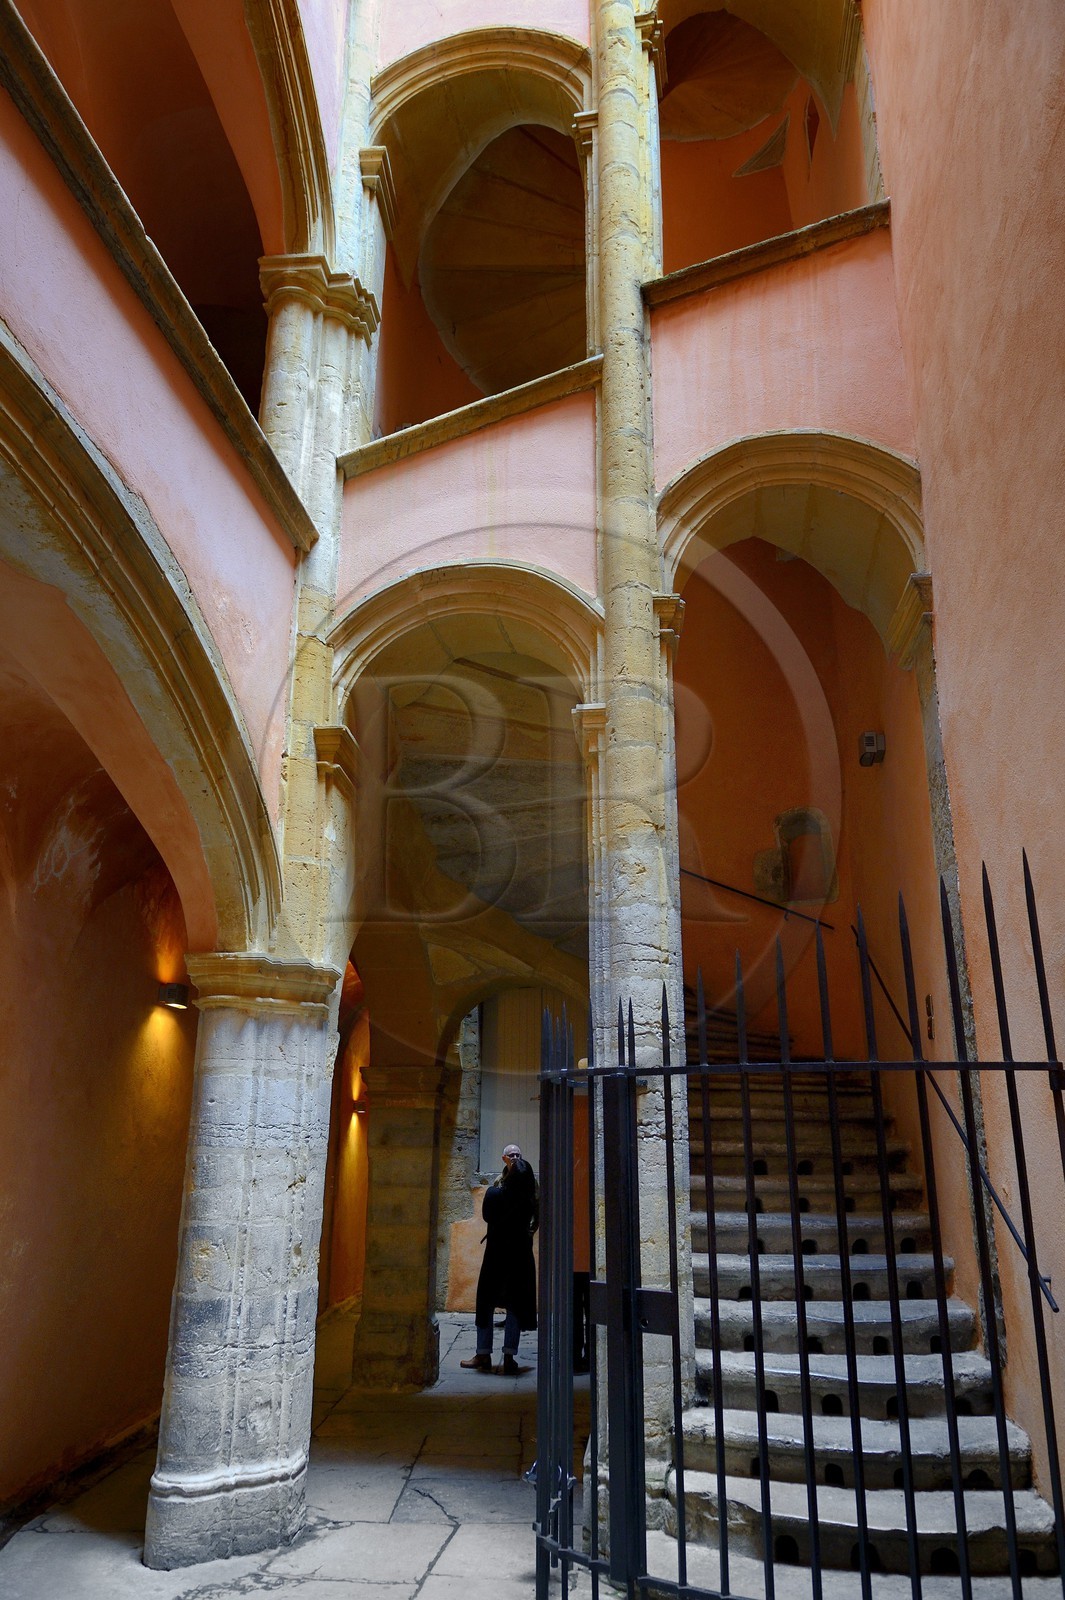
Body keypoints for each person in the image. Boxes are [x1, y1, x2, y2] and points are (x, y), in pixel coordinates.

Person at [461, 1142, 539, 1375]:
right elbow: (536, 1217)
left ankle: (483, 1353)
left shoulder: (494, 1193)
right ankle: (509, 1357)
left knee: (485, 1301)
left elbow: (488, 1216)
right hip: (520, 1253)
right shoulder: (529, 1198)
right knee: (515, 1304)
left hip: (496, 1252)